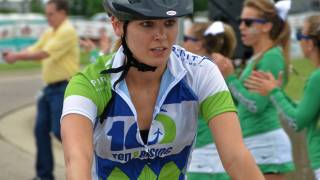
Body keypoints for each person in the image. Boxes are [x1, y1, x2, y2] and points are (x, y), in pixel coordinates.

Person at [60, 0, 264, 180]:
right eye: (147, 24)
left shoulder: (201, 72)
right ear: (118, 25)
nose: (161, 36)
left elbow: (235, 156)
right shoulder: (88, 84)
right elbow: (77, 161)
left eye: (169, 23)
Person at [213, 0, 295, 179]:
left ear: (266, 26)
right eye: (240, 21)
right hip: (253, 142)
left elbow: (256, 105)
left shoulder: (272, 57)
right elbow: (241, 103)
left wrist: (230, 77)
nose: (241, 27)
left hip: (265, 144)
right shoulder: (257, 58)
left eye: (248, 22)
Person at [3, 0, 80, 179]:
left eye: (51, 14)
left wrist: (17, 56)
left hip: (64, 88)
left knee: (61, 132)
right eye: (47, 14)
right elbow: (35, 48)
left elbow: (44, 53)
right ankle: (44, 175)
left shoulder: (67, 31)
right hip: (49, 89)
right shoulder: (50, 32)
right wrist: (17, 54)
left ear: (63, 13)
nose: (48, 18)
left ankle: (87, 168)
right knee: (40, 131)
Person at [244, 15, 320, 180]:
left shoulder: (317, 78)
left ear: (310, 43)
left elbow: (296, 122)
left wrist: (273, 92)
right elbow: (305, 112)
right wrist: (277, 91)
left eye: (300, 36)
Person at [183, 21, 236, 180]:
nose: (182, 42)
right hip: (223, 158)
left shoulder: (196, 73)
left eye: (186, 38)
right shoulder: (222, 67)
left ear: (199, 44)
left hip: (199, 156)